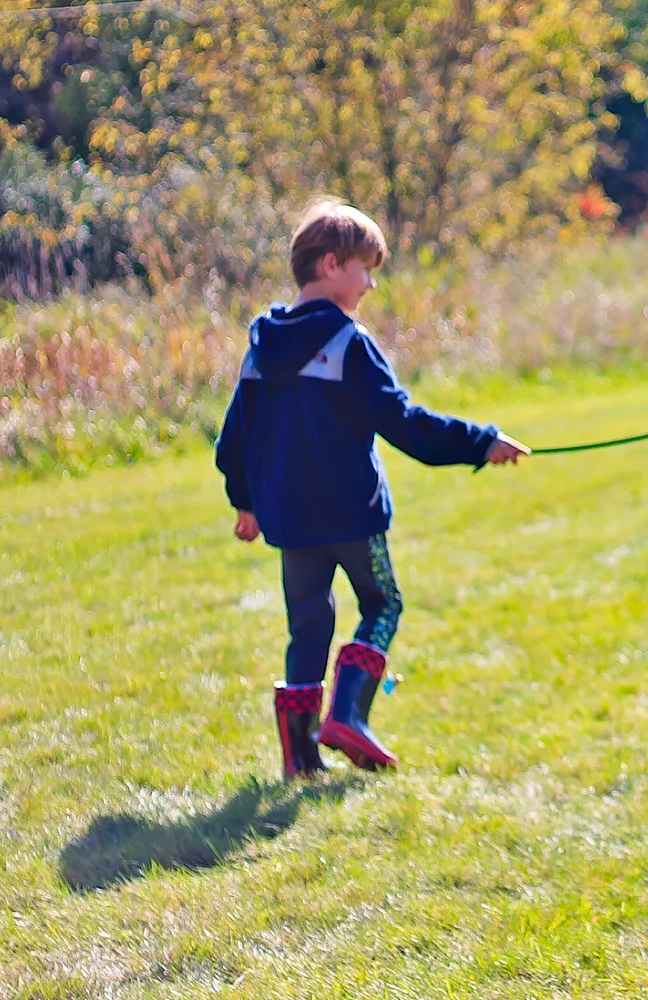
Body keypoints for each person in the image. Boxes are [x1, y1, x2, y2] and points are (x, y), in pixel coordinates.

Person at [215, 199, 530, 779]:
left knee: (307, 626)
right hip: (352, 516)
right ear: (332, 264)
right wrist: (481, 441)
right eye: (366, 269)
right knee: (383, 604)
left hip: (289, 520)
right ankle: (348, 717)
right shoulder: (347, 343)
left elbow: (233, 437)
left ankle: (301, 759)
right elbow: (405, 423)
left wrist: (246, 501)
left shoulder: (260, 349)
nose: (370, 283)